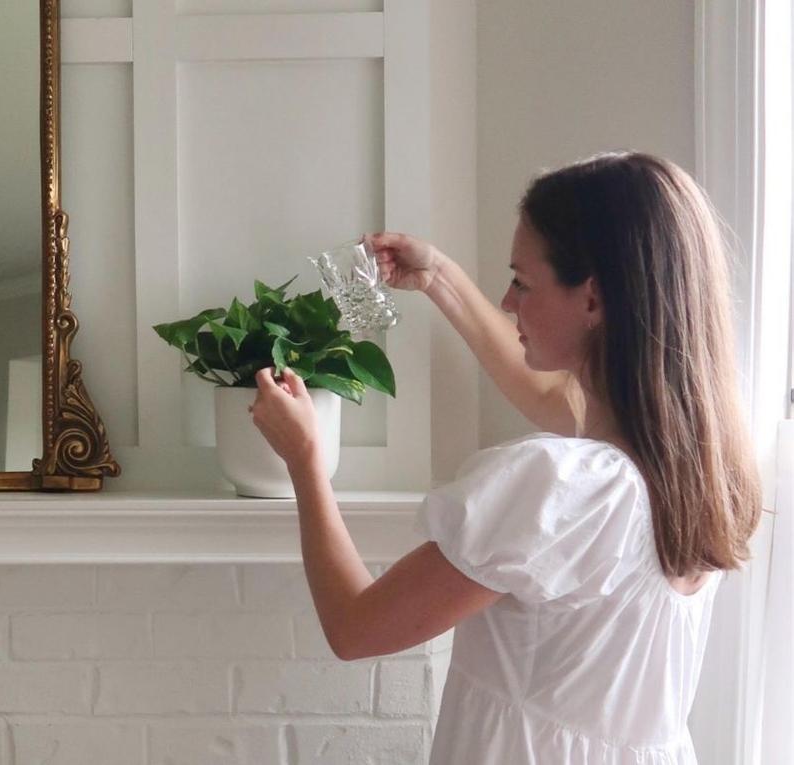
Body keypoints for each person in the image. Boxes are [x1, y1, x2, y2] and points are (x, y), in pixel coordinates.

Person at [249, 151, 762, 764]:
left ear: (592, 297)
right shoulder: (698, 468)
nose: (509, 302)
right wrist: (437, 277)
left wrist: (306, 460)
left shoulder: (561, 484)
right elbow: (546, 394)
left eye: (522, 281)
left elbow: (357, 628)